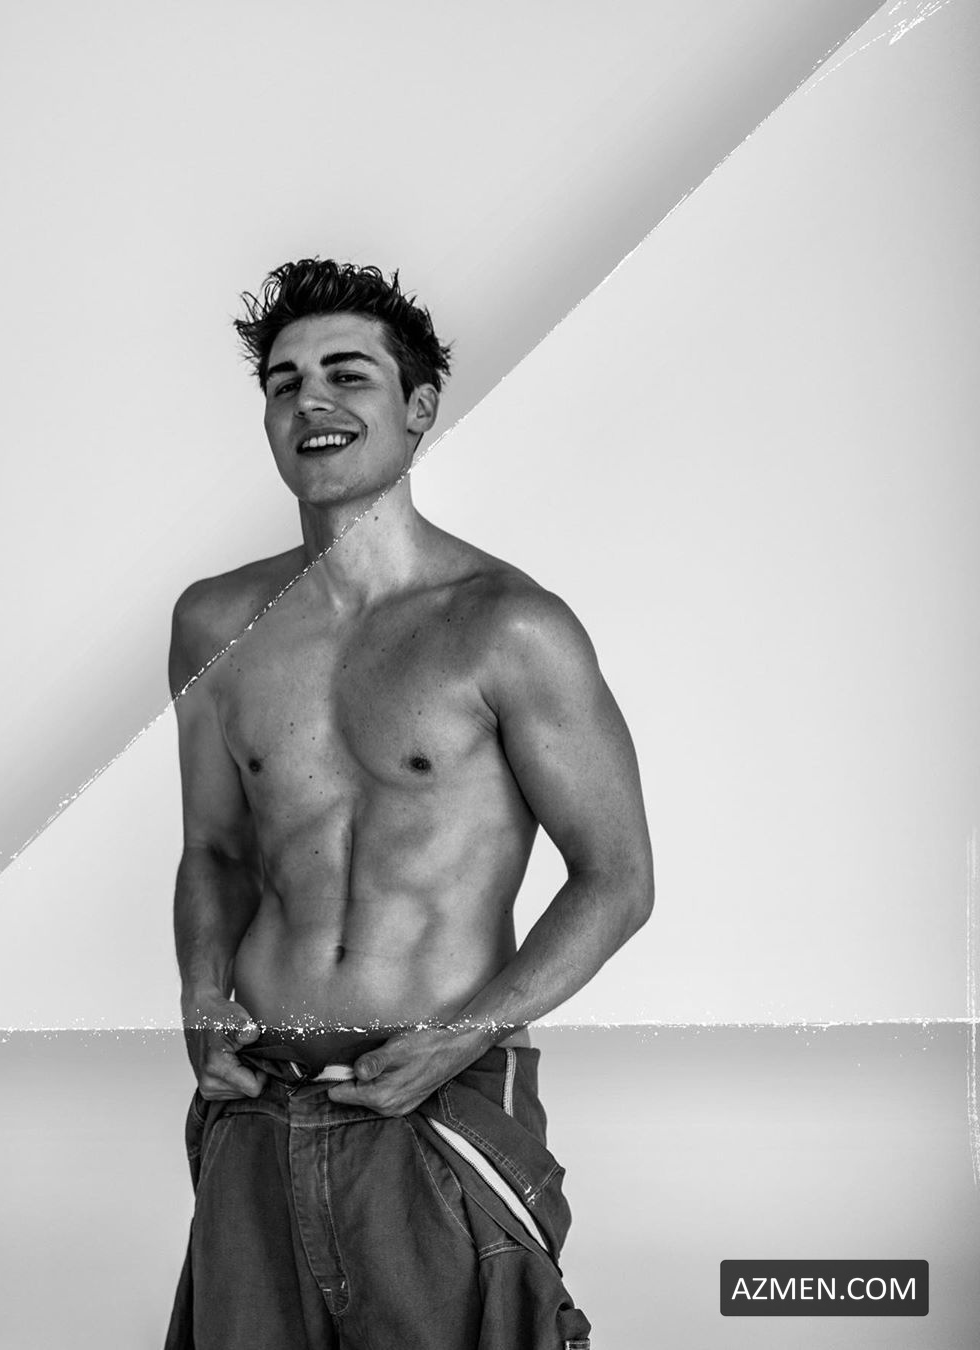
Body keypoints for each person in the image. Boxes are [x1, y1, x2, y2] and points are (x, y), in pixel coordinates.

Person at [163, 259, 654, 1350]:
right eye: (285, 384)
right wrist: (200, 994)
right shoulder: (214, 624)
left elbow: (618, 879)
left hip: (439, 1103)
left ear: (420, 406)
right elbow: (214, 852)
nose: (312, 402)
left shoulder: (509, 626)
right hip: (258, 1101)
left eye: (348, 376)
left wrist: (454, 1041)